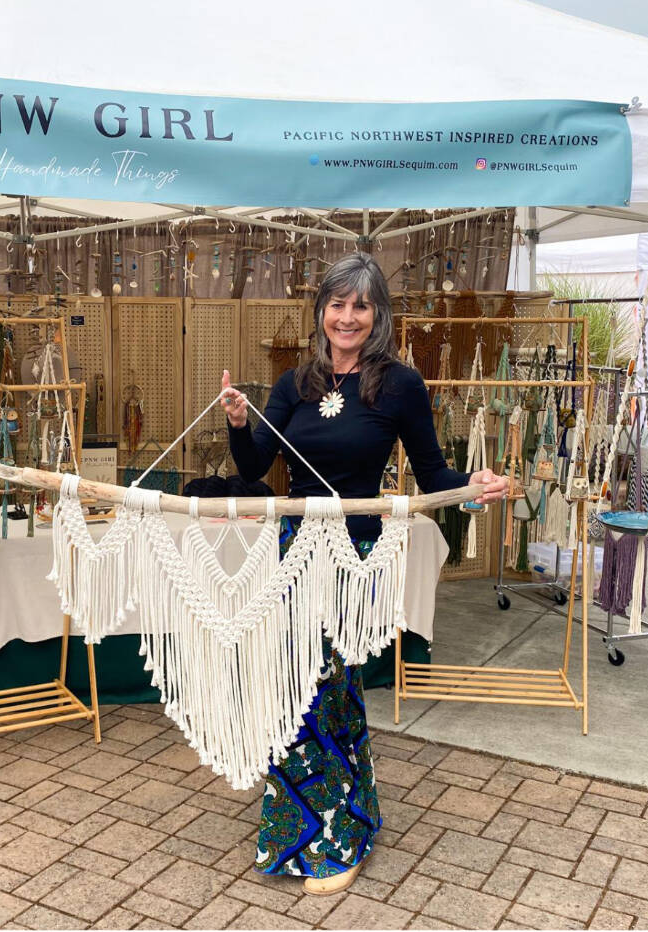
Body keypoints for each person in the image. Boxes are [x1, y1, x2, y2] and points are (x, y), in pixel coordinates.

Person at [221, 251, 508, 895]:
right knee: (294, 682)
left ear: (376, 314)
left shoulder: (399, 385)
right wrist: (240, 422)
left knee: (325, 682)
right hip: (293, 549)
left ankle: (334, 838)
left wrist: (471, 485)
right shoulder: (292, 384)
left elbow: (432, 475)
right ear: (320, 309)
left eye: (360, 305)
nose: (346, 317)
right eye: (336, 303)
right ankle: (312, 820)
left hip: (354, 553)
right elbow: (250, 467)